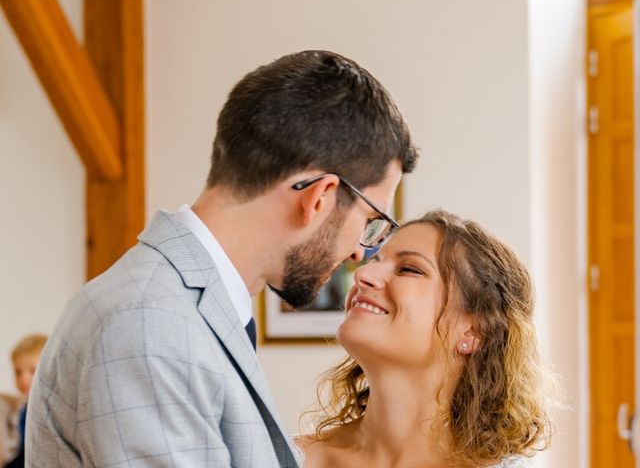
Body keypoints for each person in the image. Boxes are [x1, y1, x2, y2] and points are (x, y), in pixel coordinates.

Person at [26, 50, 418, 467]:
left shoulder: (187, 312)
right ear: (319, 198)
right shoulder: (149, 322)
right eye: (370, 220)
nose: (361, 250)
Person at [298, 210, 553, 468]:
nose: (362, 275)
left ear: (473, 332)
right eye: (375, 260)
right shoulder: (283, 459)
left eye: (409, 269)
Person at [5, 335, 47, 468]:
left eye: (32, 371)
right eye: (18, 372)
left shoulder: (47, 409)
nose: (24, 379)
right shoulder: (22, 407)